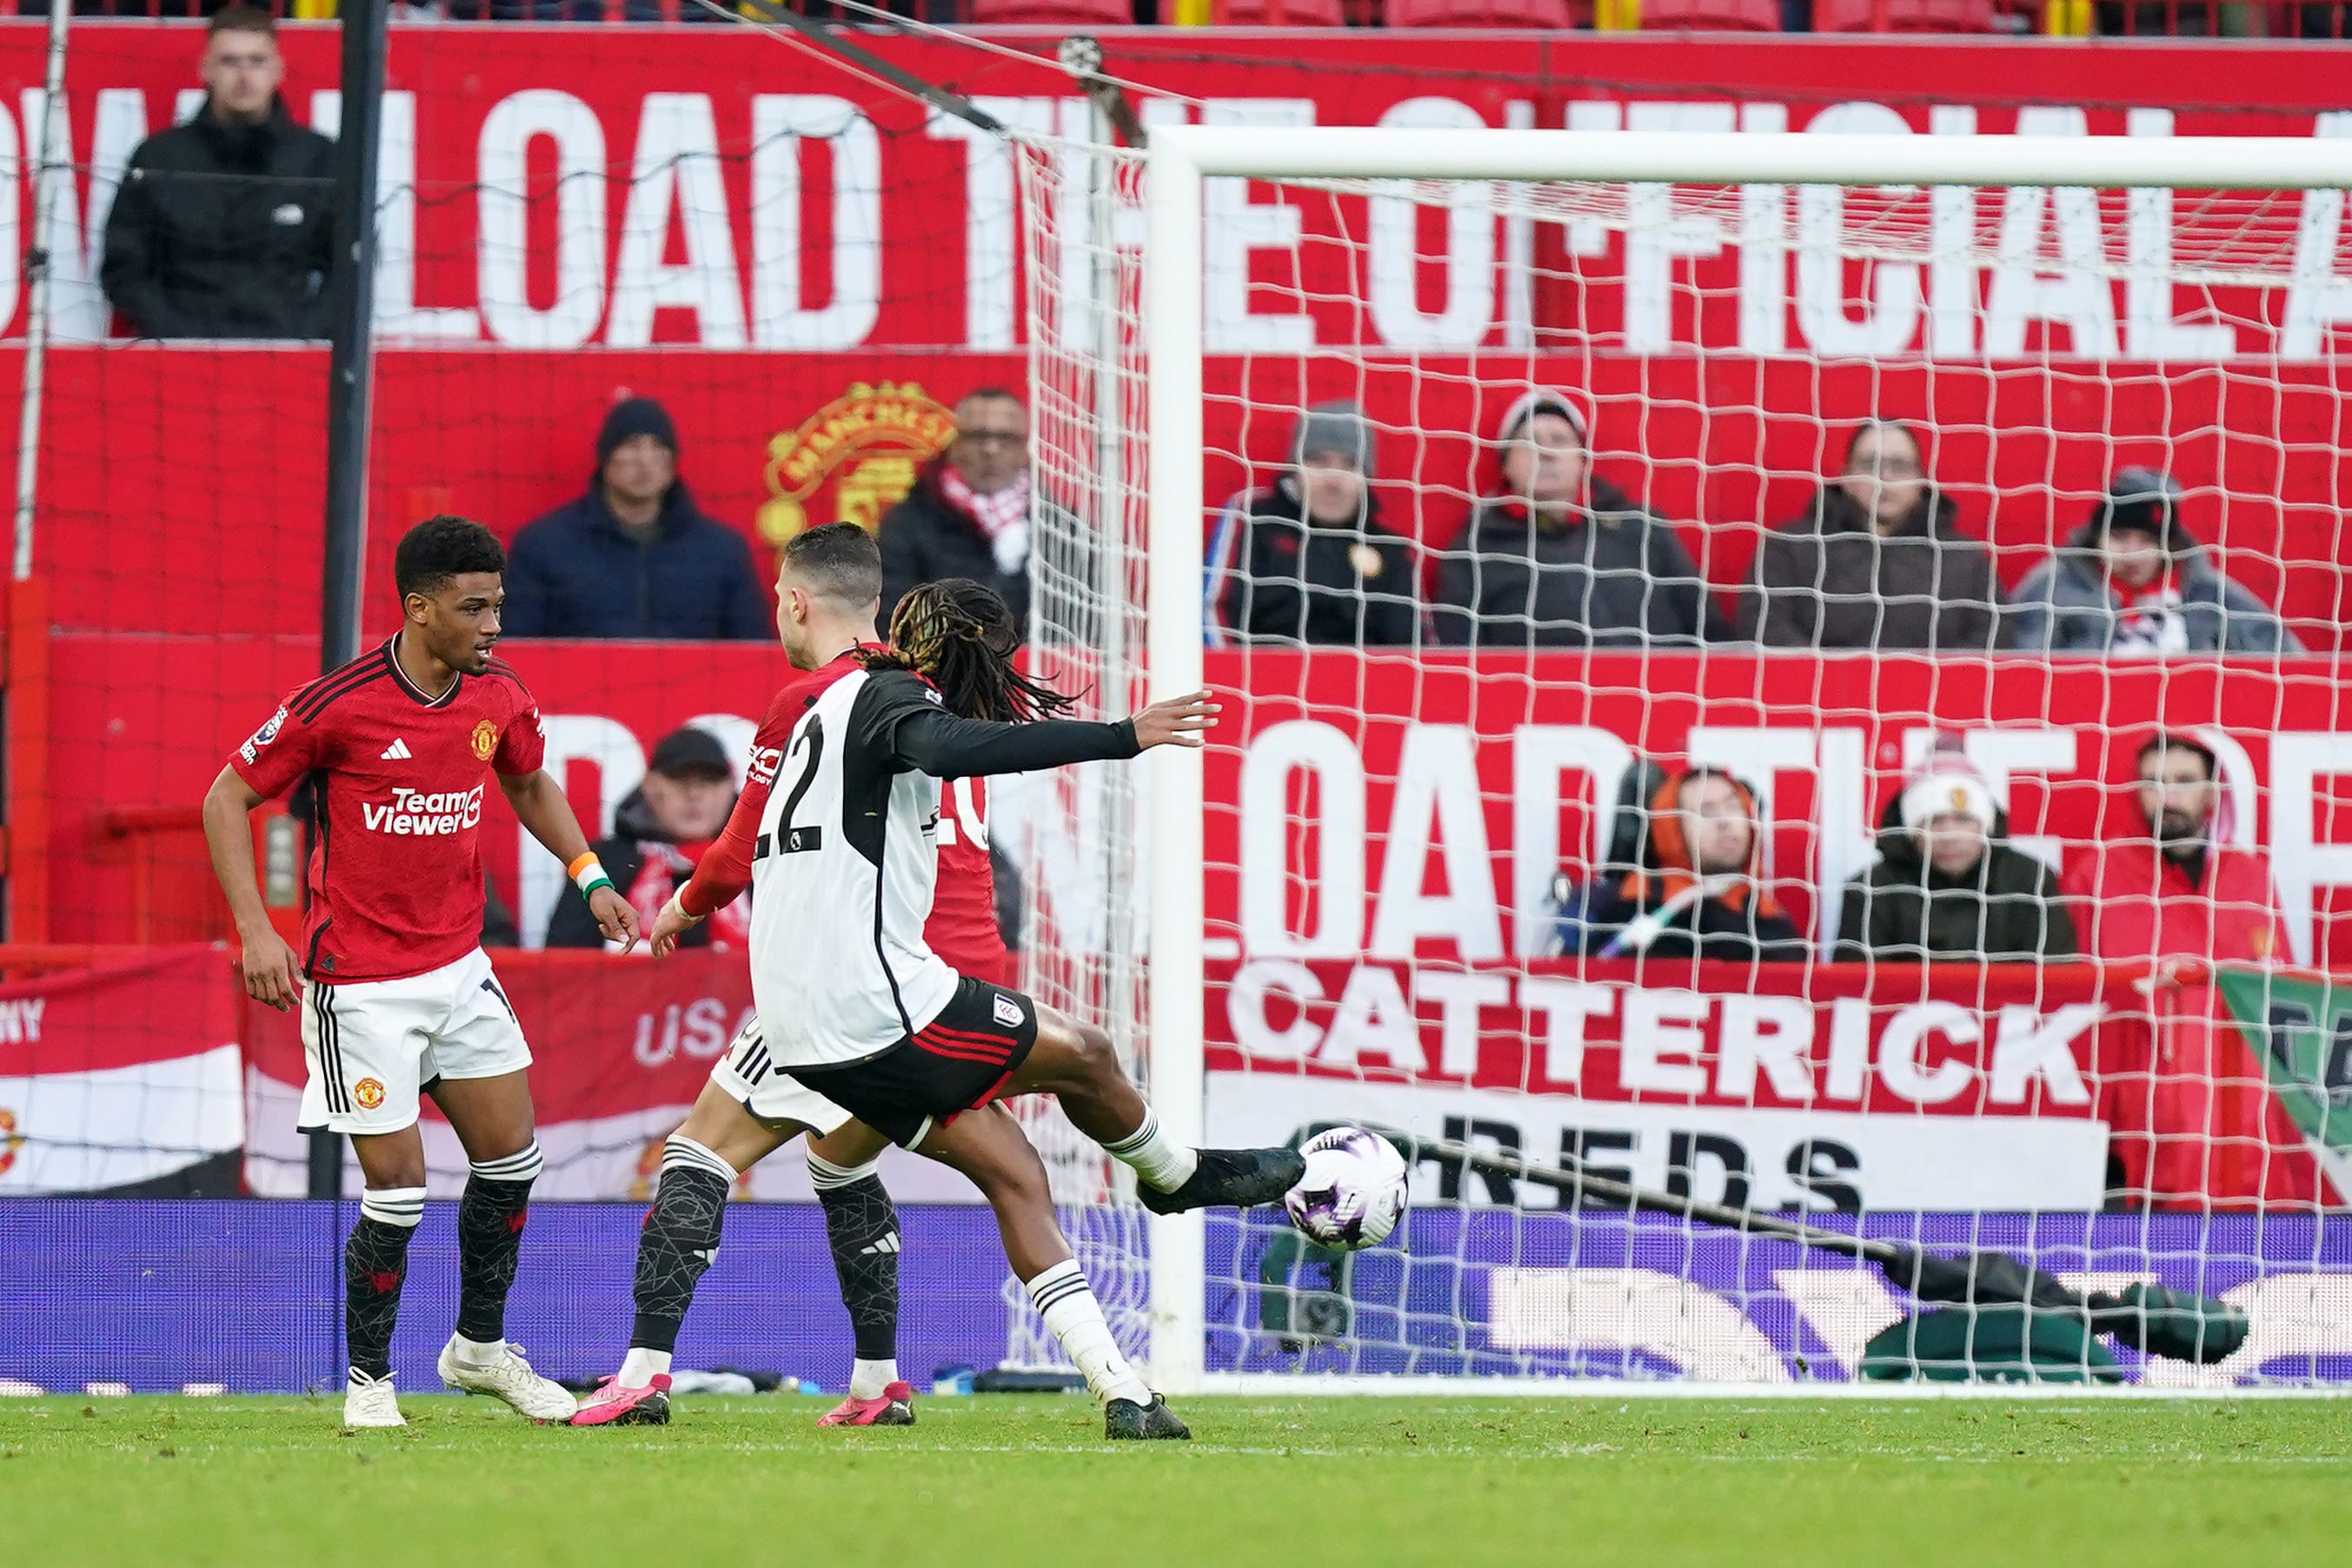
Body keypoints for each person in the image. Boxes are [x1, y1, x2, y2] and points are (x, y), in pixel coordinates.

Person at [574, 529, 1303, 1440]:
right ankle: (1170, 1177)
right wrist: (1125, 734)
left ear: (799, 602)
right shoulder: (896, 702)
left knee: (736, 1155)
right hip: (891, 999)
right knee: (1070, 1082)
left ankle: (701, 1373)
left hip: (803, 1003)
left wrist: (684, 904)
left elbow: (741, 842)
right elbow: (947, 750)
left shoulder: (808, 704)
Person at [199, 515, 642, 1429]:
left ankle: (478, 1351)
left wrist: (589, 875)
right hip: (357, 983)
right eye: (473, 608)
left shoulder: (498, 696)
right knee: (398, 1189)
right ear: (418, 607)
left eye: (499, 606)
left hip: (458, 967)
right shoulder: (340, 702)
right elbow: (226, 794)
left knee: (513, 1161)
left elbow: (527, 780)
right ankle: (370, 1382)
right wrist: (257, 931)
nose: (492, 625)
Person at [2062, 731, 2318, 1207]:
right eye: (2153, 781)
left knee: (2256, 1251)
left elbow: (2280, 989)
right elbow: (2071, 995)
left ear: (2212, 791)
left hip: (2242, 1102)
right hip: (2140, 1098)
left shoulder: (2250, 876)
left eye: (2184, 780)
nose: (2168, 795)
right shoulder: (2096, 876)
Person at [99, 6, 336, 341]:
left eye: (257, 61)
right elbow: (124, 268)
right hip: (177, 360)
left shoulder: (318, 158)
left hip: (288, 358)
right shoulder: (160, 157)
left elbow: (351, 268)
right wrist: (177, 336)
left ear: (278, 70)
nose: (244, 75)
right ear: (205, 69)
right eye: (229, 61)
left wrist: (299, 337)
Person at [1431, 389, 1725, 650]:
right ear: (1506, 464)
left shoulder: (1643, 527)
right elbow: (1459, 655)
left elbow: (1709, 629)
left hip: (1662, 699)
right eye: (1529, 442)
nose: (1545, 452)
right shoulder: (1474, 551)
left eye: (1559, 440)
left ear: (1582, 459)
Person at [502, 396, 770, 641]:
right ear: (606, 458)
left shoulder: (722, 551)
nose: (645, 460)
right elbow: (517, 648)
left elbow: (752, 650)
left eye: (658, 447)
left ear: (672, 462)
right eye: (631, 445)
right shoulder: (544, 546)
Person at [1741, 420, 2005, 653]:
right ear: (1846, 476)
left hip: (1936, 704)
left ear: (1920, 480)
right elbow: (1763, 624)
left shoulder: (1963, 557)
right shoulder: (1791, 547)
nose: (1885, 478)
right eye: (1870, 464)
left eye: (1899, 466)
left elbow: (1996, 634)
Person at [2005, 467, 2301, 656]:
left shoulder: (2208, 592)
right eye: (2120, 537)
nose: (2132, 554)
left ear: (2168, 546)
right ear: (2098, 538)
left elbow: (2286, 659)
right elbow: (2016, 667)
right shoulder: (2052, 588)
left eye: (2147, 542)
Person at [1833, 738, 2076, 964]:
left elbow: (2057, 981)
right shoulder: (1870, 890)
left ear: (1985, 825)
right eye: (1933, 821)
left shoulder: (2031, 882)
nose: (1948, 835)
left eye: (1963, 819)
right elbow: (1854, 991)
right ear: (1910, 831)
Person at [1206, 401, 1419, 647]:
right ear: (1295, 467)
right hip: (1258, 679)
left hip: (1363, 683)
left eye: (1350, 465)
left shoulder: (1390, 548)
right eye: (1319, 461)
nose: (1334, 479)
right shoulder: (1254, 517)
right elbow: (1211, 609)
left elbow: (1417, 646)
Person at [542, 726, 743, 951]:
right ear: (649, 784)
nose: (694, 794)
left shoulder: (756, 862)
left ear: (731, 786)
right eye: (679, 779)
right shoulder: (602, 863)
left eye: (709, 780)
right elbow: (563, 964)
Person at [1579, 767, 1806, 965]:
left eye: (1733, 807)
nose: (1725, 821)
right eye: (1706, 811)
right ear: (1672, 829)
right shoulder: (1634, 904)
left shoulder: (1768, 914)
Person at [877, 389, 1036, 636]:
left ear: (1025, 449)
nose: (990, 450)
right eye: (978, 436)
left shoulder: (1057, 528)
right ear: (955, 446)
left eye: (1006, 438)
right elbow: (891, 618)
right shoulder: (908, 524)